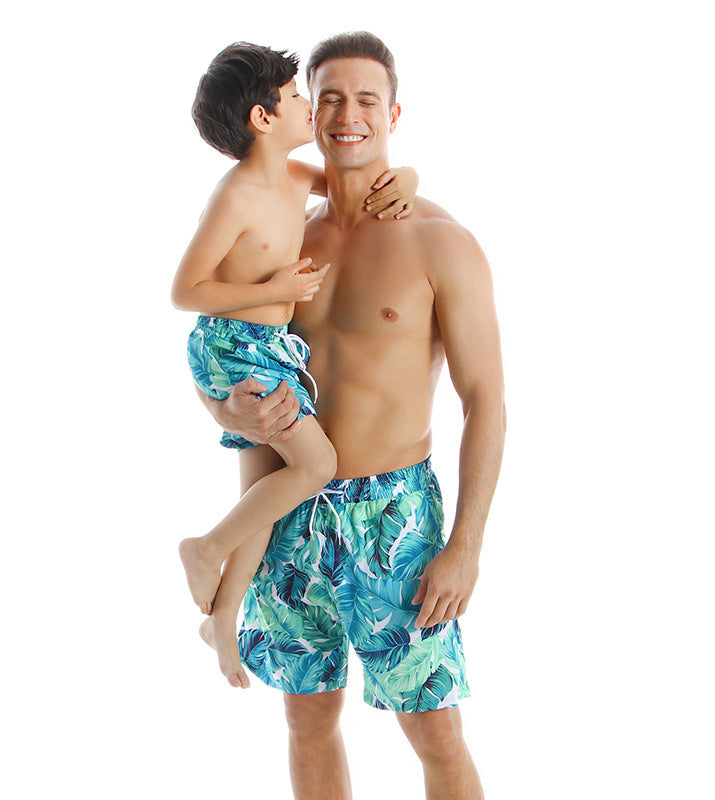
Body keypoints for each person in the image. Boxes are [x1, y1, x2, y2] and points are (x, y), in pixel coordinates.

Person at [199, 32, 505, 799]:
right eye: (329, 97)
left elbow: (486, 401)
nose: (347, 115)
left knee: (434, 728)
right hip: (289, 508)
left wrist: (466, 545)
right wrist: (221, 404)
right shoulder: (279, 237)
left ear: (393, 114)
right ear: (306, 111)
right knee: (307, 717)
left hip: (394, 517)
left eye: (367, 99)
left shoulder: (440, 242)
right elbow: (223, 351)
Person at [171, 41, 419, 682]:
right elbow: (185, 292)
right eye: (298, 96)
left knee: (265, 496)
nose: (311, 106)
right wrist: (274, 290)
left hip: (270, 348)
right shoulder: (236, 196)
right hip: (237, 345)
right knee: (316, 465)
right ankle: (207, 547)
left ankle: (222, 618)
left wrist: (411, 178)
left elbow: (352, 182)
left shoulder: (294, 176)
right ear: (263, 118)